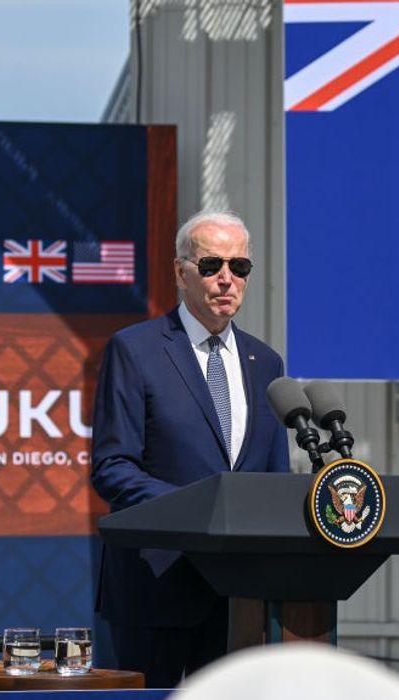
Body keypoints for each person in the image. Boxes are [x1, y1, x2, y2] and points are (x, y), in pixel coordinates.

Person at [90, 210, 291, 688]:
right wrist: (196, 511)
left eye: (239, 267)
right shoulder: (135, 350)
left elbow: (275, 478)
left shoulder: (266, 363)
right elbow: (112, 466)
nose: (227, 279)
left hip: (239, 594)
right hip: (156, 583)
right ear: (181, 273)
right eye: (211, 266)